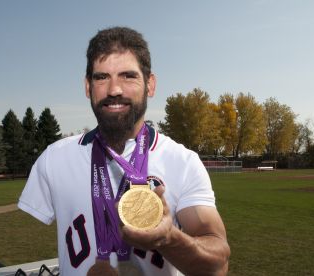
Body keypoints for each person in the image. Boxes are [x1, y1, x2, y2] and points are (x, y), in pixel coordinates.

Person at [18, 26, 230, 275]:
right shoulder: (54, 159)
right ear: (88, 87)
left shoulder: (182, 162)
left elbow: (218, 266)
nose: (114, 89)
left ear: (150, 84)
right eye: (101, 77)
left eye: (128, 76)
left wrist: (170, 238)